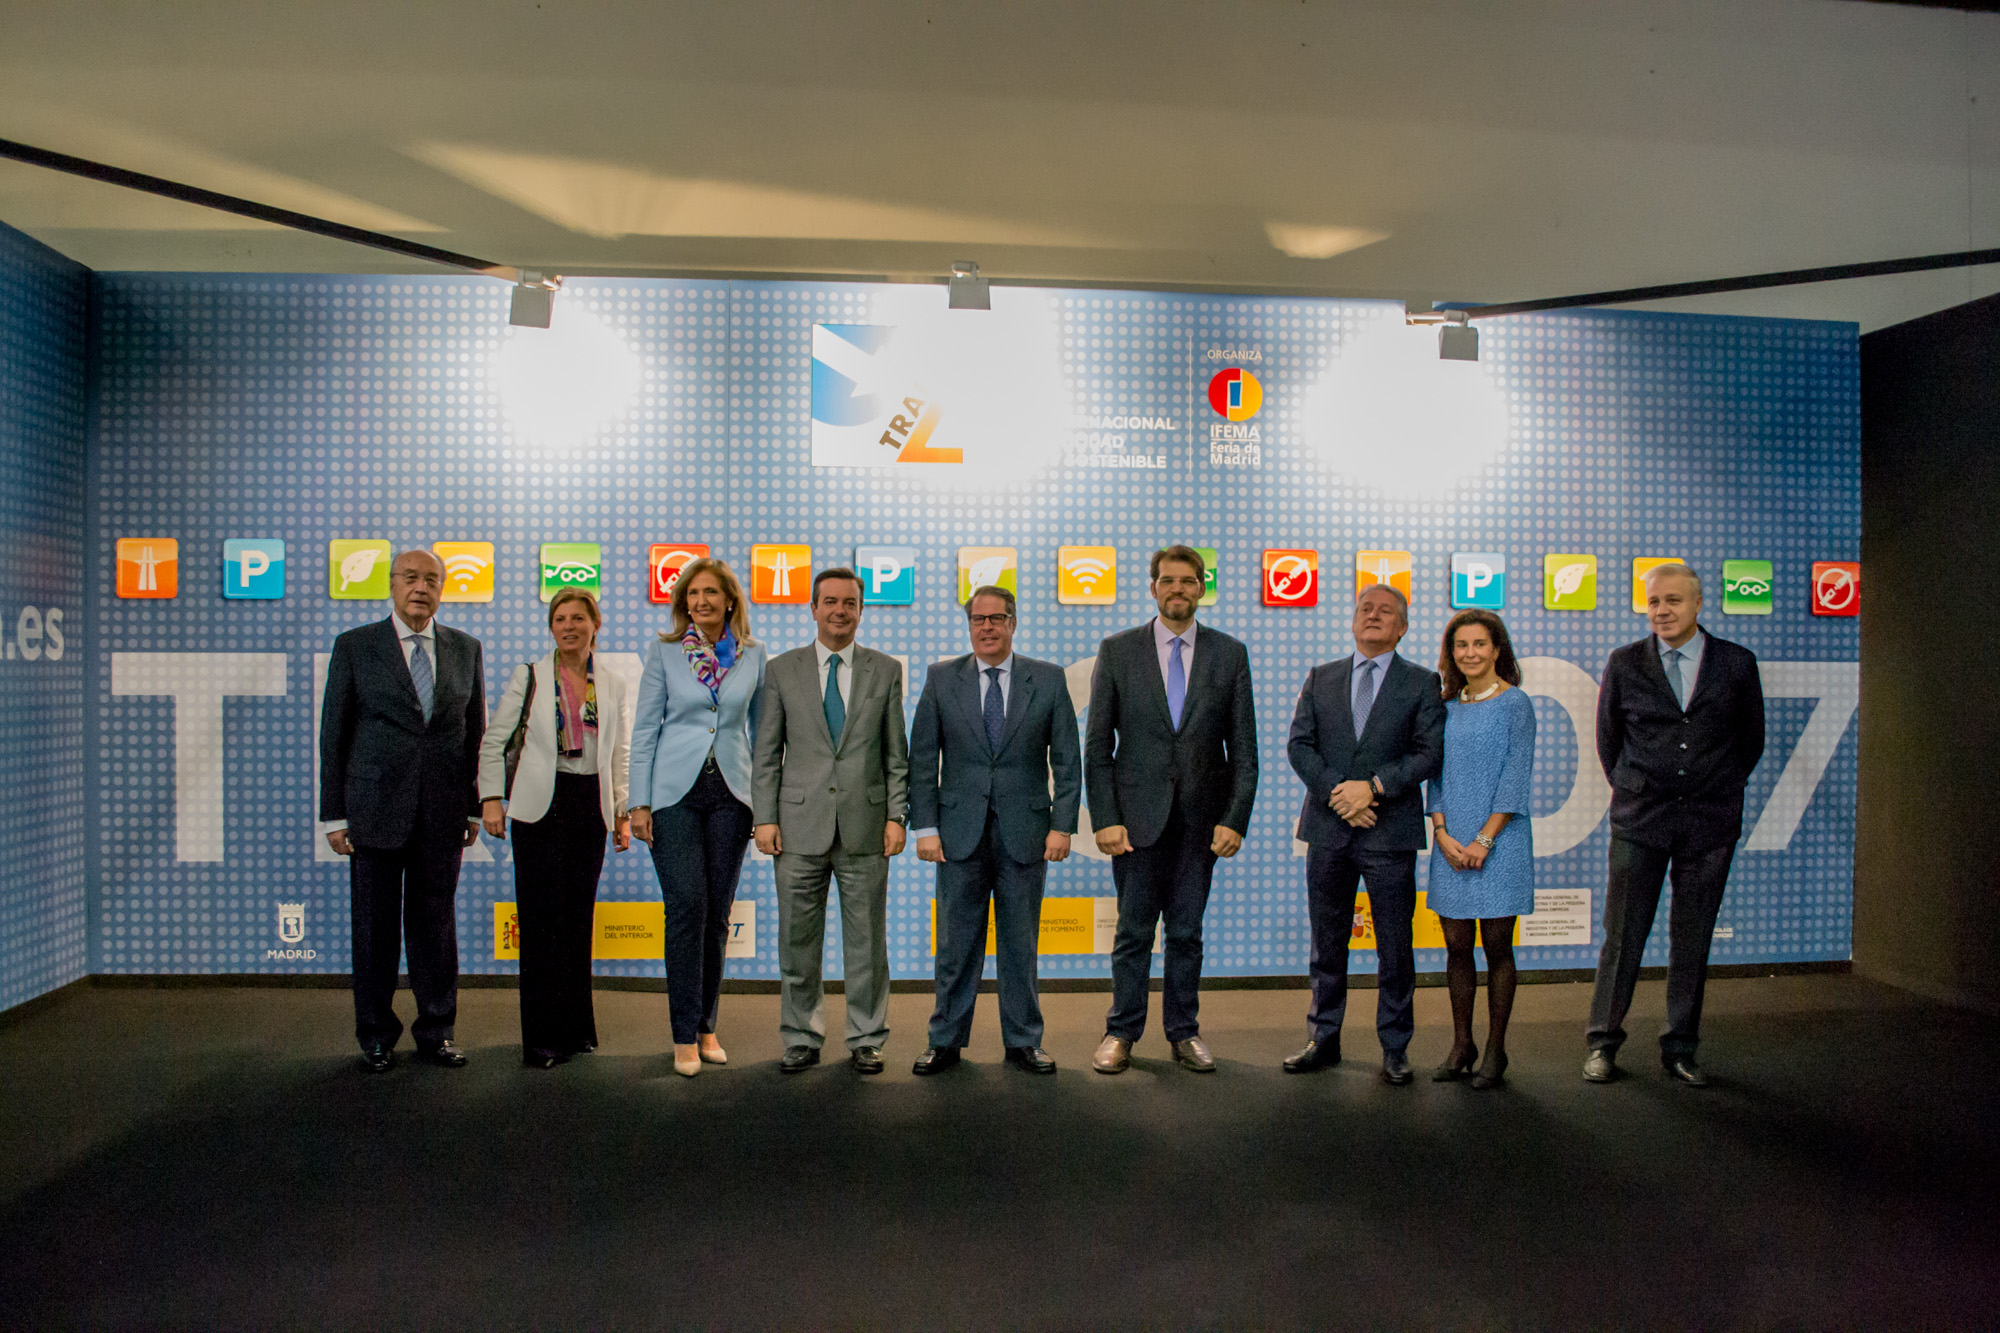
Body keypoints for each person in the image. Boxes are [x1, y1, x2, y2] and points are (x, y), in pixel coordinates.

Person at [1586, 562, 1765, 1087]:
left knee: (1693, 937)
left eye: (1673, 601)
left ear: (1698, 604)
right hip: (1640, 820)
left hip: (1710, 822)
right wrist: (1637, 786)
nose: (1661, 611)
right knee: (1622, 936)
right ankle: (1601, 1043)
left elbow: (1750, 741)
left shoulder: (1737, 663)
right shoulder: (1624, 662)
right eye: (1654, 602)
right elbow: (1608, 741)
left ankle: (1681, 1049)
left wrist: (1718, 785)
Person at [1086, 546, 1258, 1074]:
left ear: (1201, 588)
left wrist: (1234, 818)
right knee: (1133, 933)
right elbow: (1097, 746)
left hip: (1201, 824)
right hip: (1135, 822)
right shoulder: (1118, 650)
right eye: (1167, 580)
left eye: (1187, 581)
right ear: (1153, 587)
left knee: (1186, 934)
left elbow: (1244, 751)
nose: (1177, 589)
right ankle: (1121, 1032)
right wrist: (1105, 818)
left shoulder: (1229, 654)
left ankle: (1184, 1032)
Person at [319, 548, 486, 1072]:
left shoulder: (466, 648)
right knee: (374, 928)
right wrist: (334, 814)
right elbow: (333, 735)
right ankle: (375, 1034)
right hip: (373, 810)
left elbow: (474, 734)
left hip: (443, 812)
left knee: (436, 927)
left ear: (442, 589)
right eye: (410, 578)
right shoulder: (355, 646)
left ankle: (437, 1031)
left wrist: (474, 807)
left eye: (431, 579)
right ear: (391, 585)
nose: (421, 587)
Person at [908, 585, 1082, 1076]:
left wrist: (1063, 827)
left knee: (1020, 944)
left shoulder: (1047, 679)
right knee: (955, 945)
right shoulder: (942, 678)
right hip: (957, 833)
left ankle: (1024, 1040)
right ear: (969, 625)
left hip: (1027, 832)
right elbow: (923, 758)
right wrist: (925, 828)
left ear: (1013, 623)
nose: (987, 627)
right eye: (978, 619)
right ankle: (945, 1040)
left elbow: (1068, 760)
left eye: (996, 618)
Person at [1284, 583, 1445, 1084]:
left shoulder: (1422, 682)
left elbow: (1428, 753)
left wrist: (1372, 788)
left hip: (1389, 833)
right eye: (1365, 608)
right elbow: (1299, 746)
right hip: (1329, 829)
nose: (1373, 616)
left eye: (1386, 611)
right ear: (1353, 620)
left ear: (1403, 627)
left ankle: (1395, 1047)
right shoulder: (1321, 677)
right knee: (1327, 943)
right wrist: (1341, 794)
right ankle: (1323, 1037)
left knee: (1394, 947)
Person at [751, 567, 910, 1075]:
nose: (840, 611)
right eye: (831, 602)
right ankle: (801, 1035)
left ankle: (867, 1037)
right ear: (814, 608)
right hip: (797, 827)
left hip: (867, 826)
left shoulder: (885, 670)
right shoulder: (782, 670)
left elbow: (896, 754)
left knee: (867, 944)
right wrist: (764, 818)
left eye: (849, 603)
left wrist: (897, 815)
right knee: (797, 942)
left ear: (861, 610)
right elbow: (766, 752)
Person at [478, 588, 632, 1070]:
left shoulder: (611, 683)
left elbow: (619, 754)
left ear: (595, 625)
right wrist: (490, 798)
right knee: (542, 922)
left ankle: (576, 1028)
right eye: (560, 618)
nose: (569, 626)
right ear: (551, 627)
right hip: (538, 808)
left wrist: (622, 812)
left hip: (590, 806)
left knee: (578, 920)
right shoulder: (529, 677)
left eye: (578, 618)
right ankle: (542, 1039)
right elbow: (494, 741)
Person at [628, 559, 767, 1078]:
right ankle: (683, 1033)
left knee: (717, 913)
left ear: (730, 600)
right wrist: (637, 802)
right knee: (686, 905)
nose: (701, 601)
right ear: (683, 602)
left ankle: (708, 1025)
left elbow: (763, 736)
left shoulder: (754, 654)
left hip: (732, 794)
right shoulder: (665, 651)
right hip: (673, 795)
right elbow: (645, 728)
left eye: (711, 592)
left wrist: (766, 805)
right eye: (692, 593)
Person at [1425, 609, 1536, 1089]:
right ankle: (1461, 1044)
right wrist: (1441, 832)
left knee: (1496, 946)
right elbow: (1434, 776)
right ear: (1451, 653)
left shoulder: (1516, 704)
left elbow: (1515, 777)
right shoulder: (1444, 707)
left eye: (1479, 644)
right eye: (1461, 645)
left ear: (1496, 650)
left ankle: (1495, 1049)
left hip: (1501, 843)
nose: (1469, 653)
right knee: (1455, 946)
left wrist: (1484, 840)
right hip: (1450, 844)